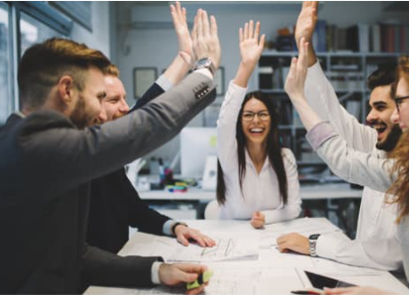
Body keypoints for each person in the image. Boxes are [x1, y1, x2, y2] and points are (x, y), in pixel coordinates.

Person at [0, 8, 221, 295]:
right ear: (66, 90)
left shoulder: (47, 149)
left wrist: (158, 271)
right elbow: (148, 123)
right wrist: (204, 68)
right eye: (99, 98)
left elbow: (74, 255)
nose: (103, 114)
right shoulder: (31, 146)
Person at [285, 36, 409, 295]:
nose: (394, 117)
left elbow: (343, 159)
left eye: (401, 102)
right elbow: (332, 115)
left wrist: (297, 97)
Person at [277, 0, 402, 271]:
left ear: (404, 112)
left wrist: (314, 245)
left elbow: (391, 257)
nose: (369, 117)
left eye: (380, 107)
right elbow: (333, 114)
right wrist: (305, 45)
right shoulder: (378, 144)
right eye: (370, 107)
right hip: (361, 274)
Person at [87, 0, 215, 256]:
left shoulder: (106, 160)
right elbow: (148, 116)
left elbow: (134, 211)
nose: (126, 108)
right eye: (114, 100)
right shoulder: (85, 157)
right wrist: (204, 69)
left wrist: (175, 226)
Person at [216, 20, 302, 229]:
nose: (256, 121)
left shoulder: (285, 157)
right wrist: (246, 67)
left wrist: (266, 218)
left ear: (272, 120)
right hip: (232, 235)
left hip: (269, 234)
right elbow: (225, 121)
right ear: (240, 120)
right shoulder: (230, 154)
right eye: (248, 115)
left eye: (263, 114)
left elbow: (294, 206)